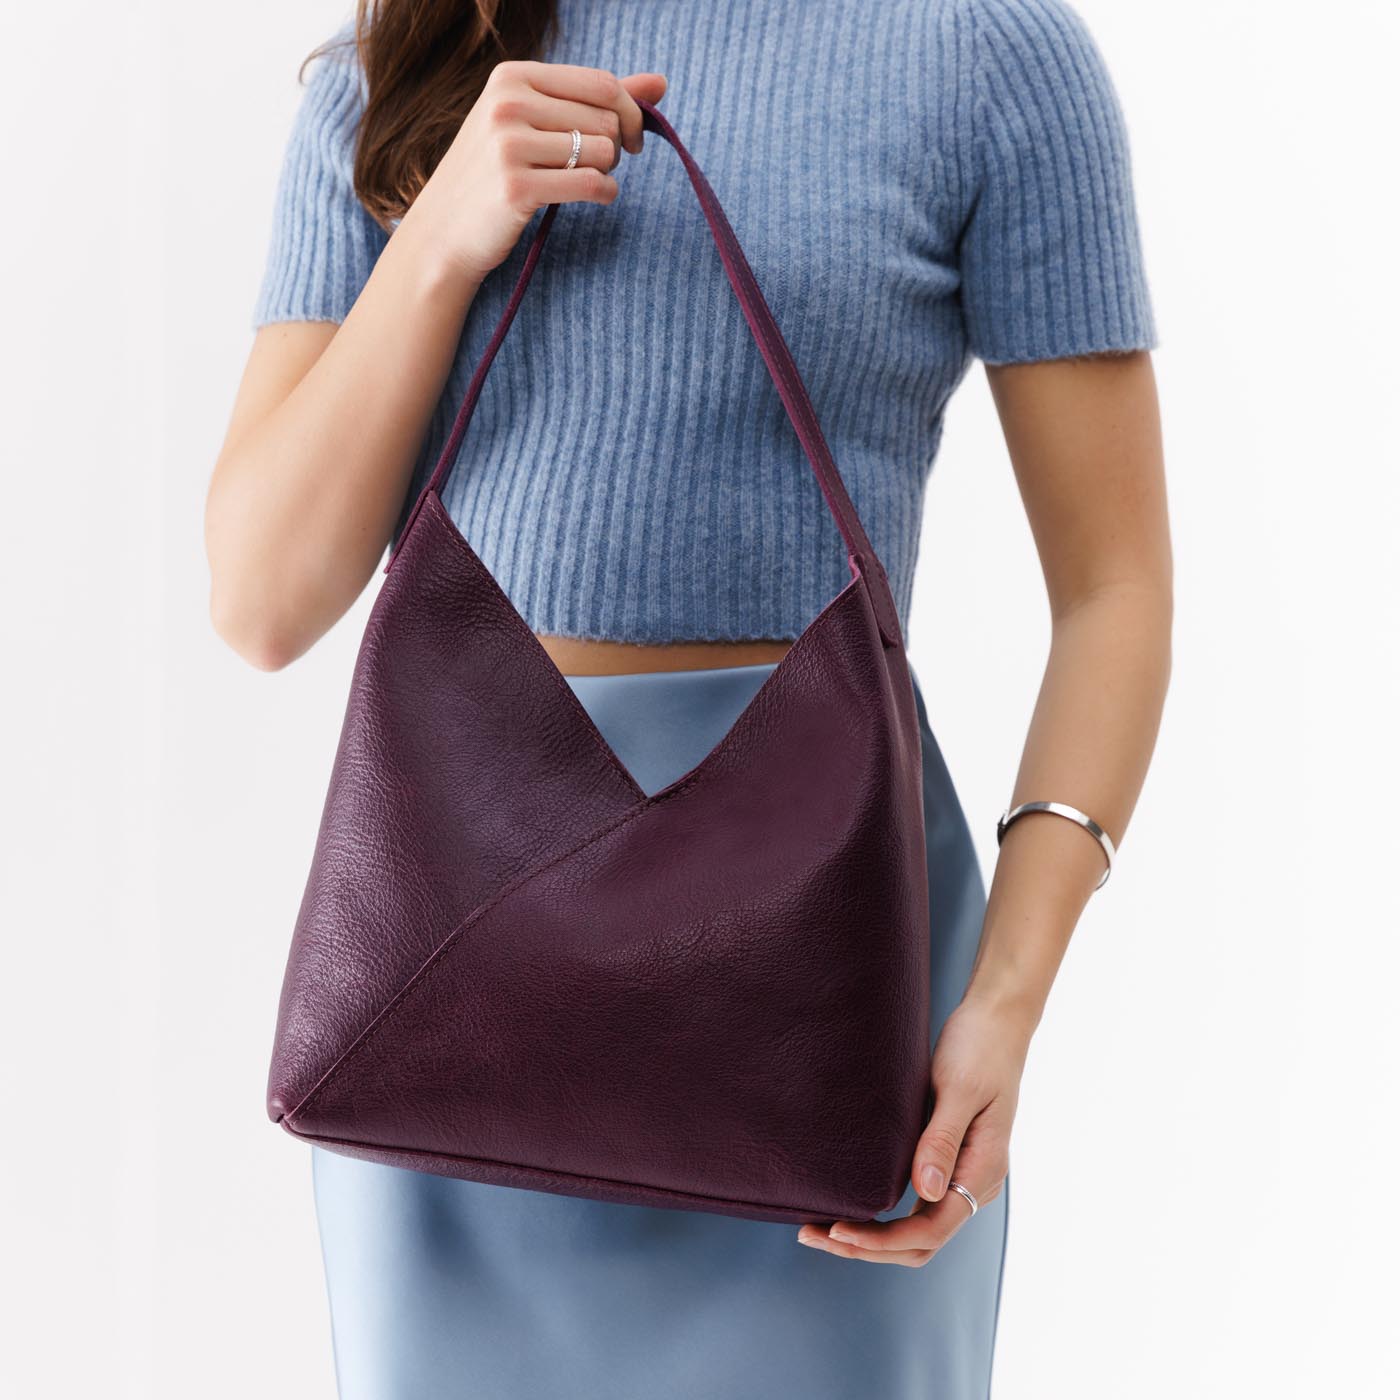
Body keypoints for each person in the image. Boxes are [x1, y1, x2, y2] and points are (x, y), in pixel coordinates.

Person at [205, 1, 1171, 1396]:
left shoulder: (985, 54)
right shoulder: (401, 64)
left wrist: (1005, 1004)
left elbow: (1115, 591)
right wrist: (439, 240)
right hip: (456, 1002)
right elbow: (261, 602)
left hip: (831, 998)